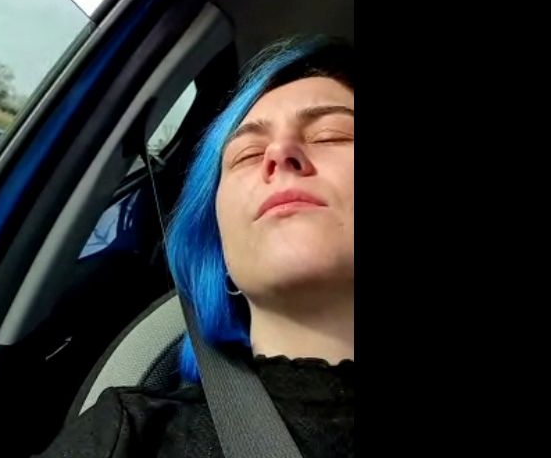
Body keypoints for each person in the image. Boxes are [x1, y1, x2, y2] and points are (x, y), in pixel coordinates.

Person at [38, 36, 354, 457]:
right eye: (246, 154)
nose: (278, 152)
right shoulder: (131, 438)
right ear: (218, 249)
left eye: (332, 135)